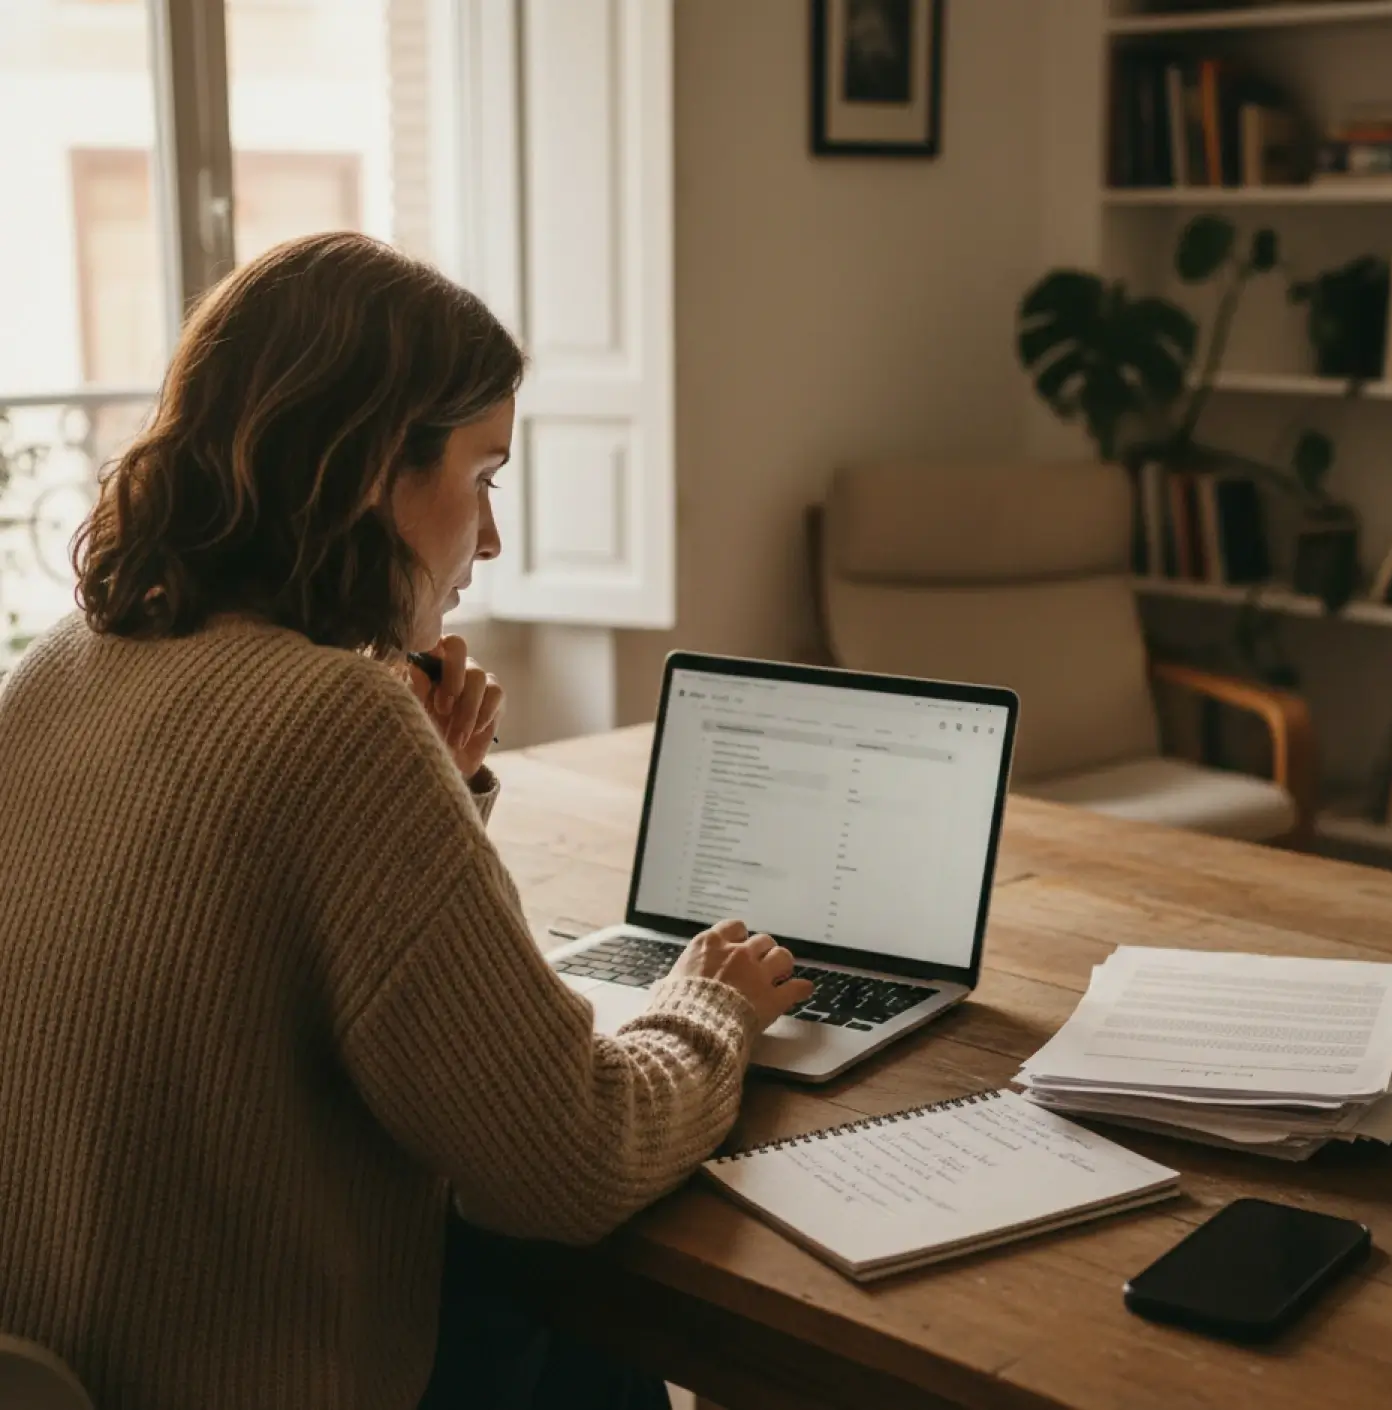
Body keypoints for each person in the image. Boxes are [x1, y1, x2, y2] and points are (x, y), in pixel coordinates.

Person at [0, 231, 813, 1410]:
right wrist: (711, 1005)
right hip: (242, 1378)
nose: (489, 538)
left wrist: (430, 788)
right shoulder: (335, 719)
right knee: (584, 1315)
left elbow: (253, 963)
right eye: (483, 478)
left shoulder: (61, 667)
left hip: (54, 1371)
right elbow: (570, 1161)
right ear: (372, 468)